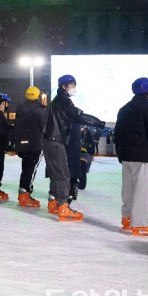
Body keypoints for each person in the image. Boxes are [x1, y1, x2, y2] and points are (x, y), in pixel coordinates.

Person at [43, 74, 105, 221]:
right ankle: (63, 206)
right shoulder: (64, 101)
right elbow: (80, 116)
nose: (74, 88)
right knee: (63, 173)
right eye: (72, 85)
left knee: (55, 172)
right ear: (64, 86)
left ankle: (54, 203)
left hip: (49, 140)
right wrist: (99, 123)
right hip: (55, 140)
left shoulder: (56, 101)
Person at [115, 78, 148, 237]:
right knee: (142, 192)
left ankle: (127, 219)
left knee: (129, 190)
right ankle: (140, 224)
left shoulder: (124, 109)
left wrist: (120, 154)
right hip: (143, 157)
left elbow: (118, 134)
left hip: (127, 157)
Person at [13, 86, 46, 207]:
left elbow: (17, 126)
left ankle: (23, 191)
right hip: (35, 144)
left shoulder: (20, 108)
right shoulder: (40, 110)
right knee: (31, 169)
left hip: (22, 144)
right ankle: (25, 194)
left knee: (25, 168)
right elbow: (45, 127)